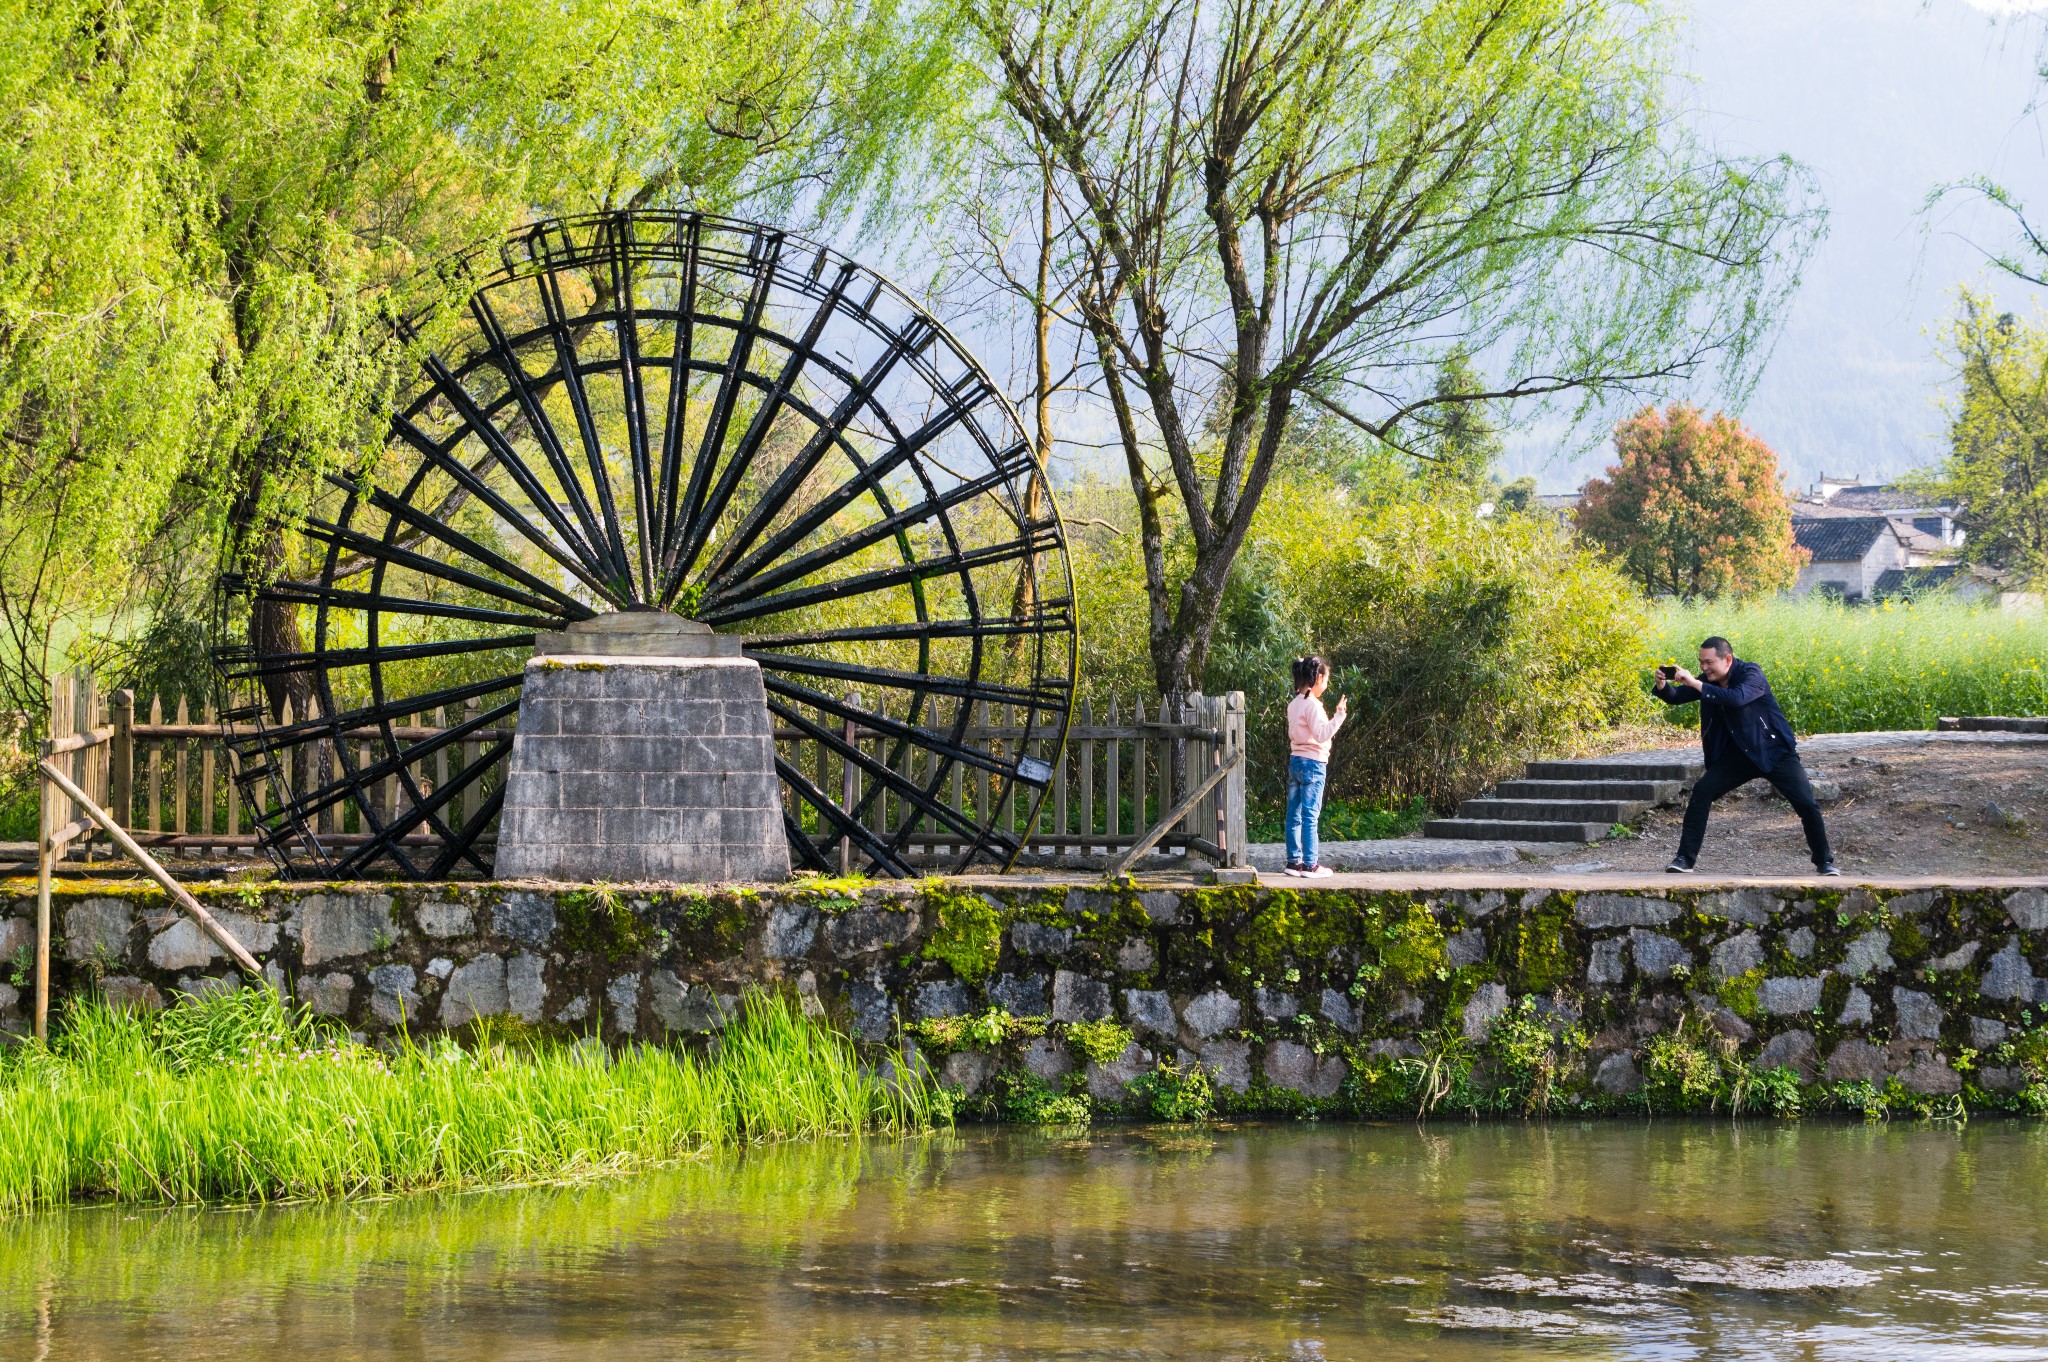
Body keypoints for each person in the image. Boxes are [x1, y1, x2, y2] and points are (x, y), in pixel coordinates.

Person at [1654, 636, 1837, 876]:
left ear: (1727, 659)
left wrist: (1696, 684)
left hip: (1774, 752)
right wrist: (1662, 687)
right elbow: (1677, 697)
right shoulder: (1710, 680)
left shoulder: (1751, 674)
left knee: (1806, 804)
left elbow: (1736, 699)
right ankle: (1684, 860)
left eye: (1709, 662)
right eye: (1701, 663)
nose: (1704, 668)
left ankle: (1824, 862)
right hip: (1739, 756)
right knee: (1702, 791)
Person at [1284, 655, 1346, 878]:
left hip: (1296, 760)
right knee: (1311, 815)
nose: (1326, 685)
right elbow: (1321, 735)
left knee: (1294, 814)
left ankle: (1294, 862)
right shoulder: (1313, 705)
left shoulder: (1294, 704)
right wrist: (1339, 715)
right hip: (1313, 763)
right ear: (1318, 678)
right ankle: (1311, 865)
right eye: (1326, 680)